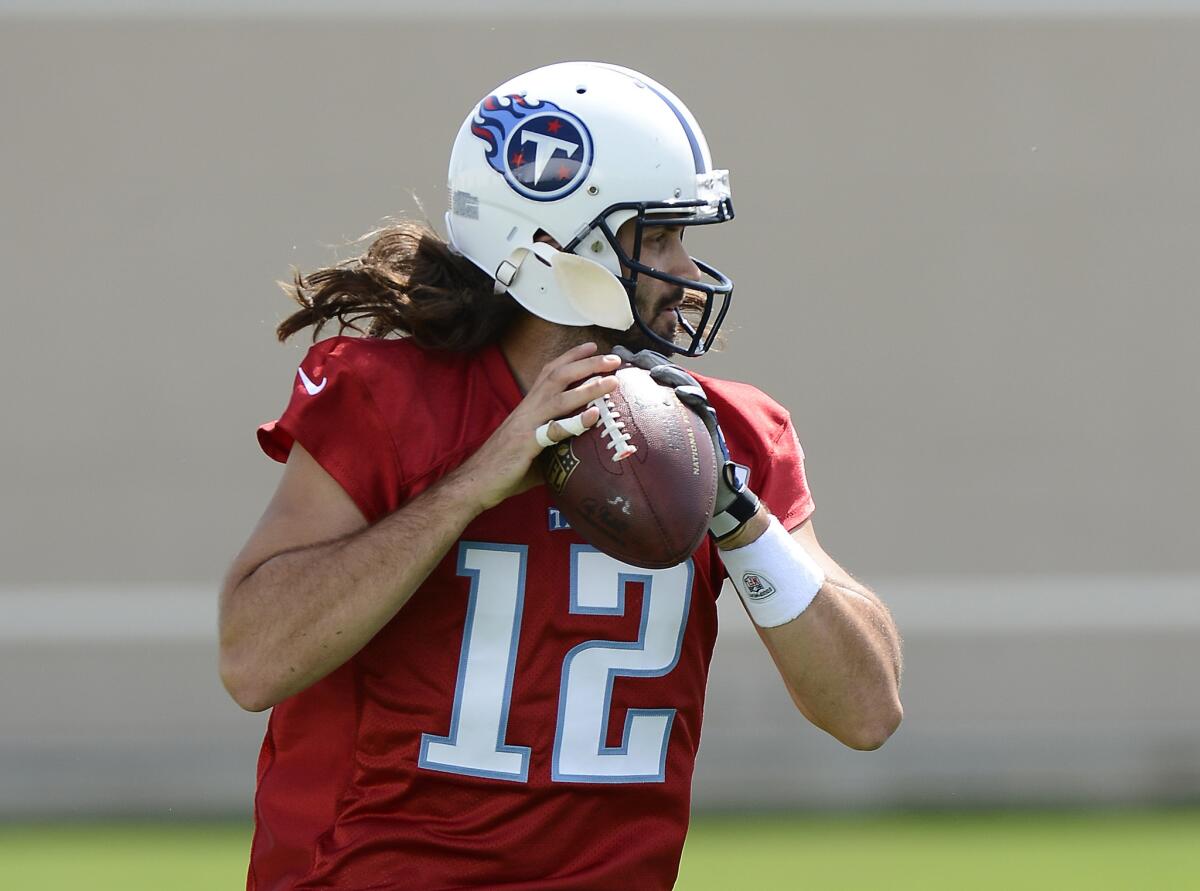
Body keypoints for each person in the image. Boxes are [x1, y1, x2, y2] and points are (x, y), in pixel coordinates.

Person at [220, 61, 903, 891]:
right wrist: (472, 484)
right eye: (655, 237)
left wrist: (736, 512)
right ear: (550, 245)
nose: (685, 270)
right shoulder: (388, 399)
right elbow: (253, 660)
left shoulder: (723, 432)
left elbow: (868, 711)